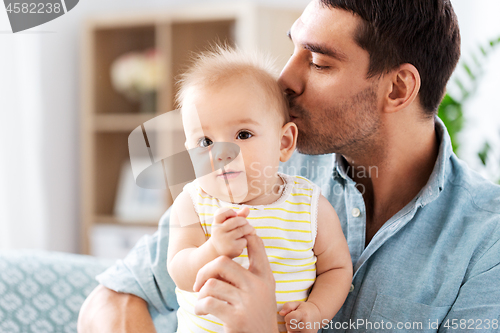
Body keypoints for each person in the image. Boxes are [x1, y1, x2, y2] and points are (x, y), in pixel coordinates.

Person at [78, 0, 500, 332]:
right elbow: (110, 301)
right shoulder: (253, 168)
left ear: (398, 88)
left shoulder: (487, 240)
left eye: (318, 63)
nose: (283, 80)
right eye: (292, 48)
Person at [167, 48, 352, 333]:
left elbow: (336, 269)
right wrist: (213, 249)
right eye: (204, 142)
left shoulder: (309, 205)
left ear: (284, 142)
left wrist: (316, 310)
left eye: (243, 135)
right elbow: (180, 271)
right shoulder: (192, 203)